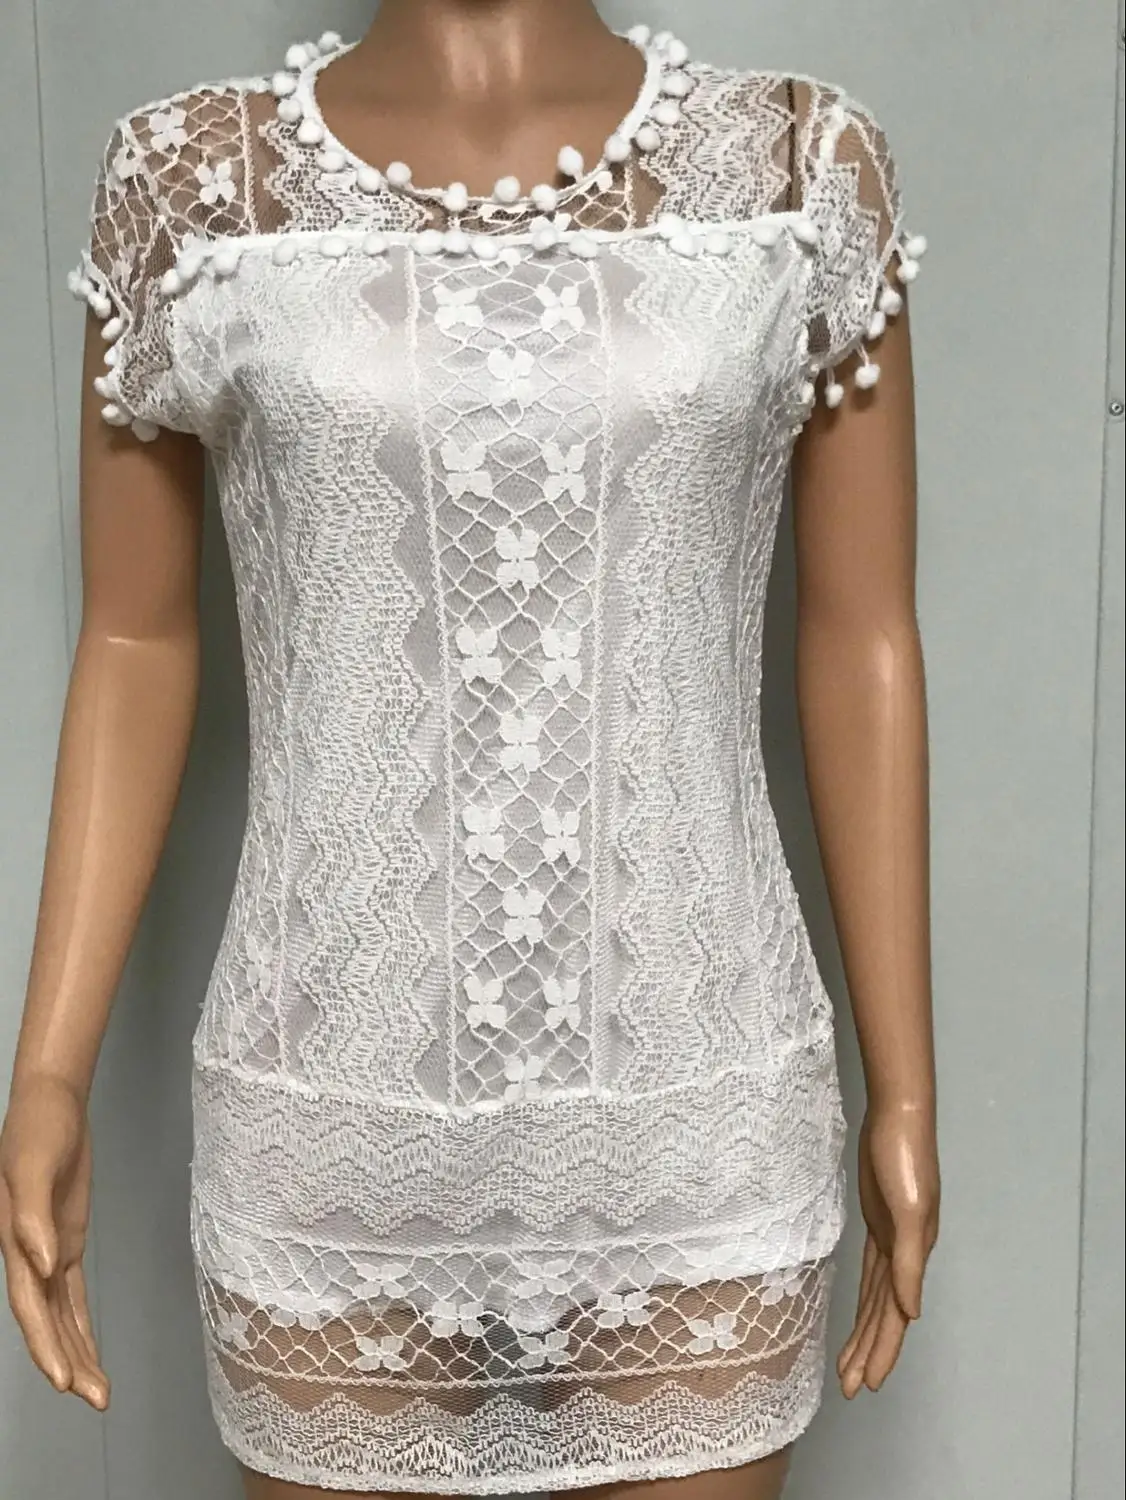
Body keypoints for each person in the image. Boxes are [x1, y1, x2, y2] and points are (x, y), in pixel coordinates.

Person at [0, 3, 940, 1496]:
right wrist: (49, 1069)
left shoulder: (793, 170)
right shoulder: (192, 186)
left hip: (694, 1100)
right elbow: (133, 642)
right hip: (332, 1112)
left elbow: (862, 636)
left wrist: (906, 1085)